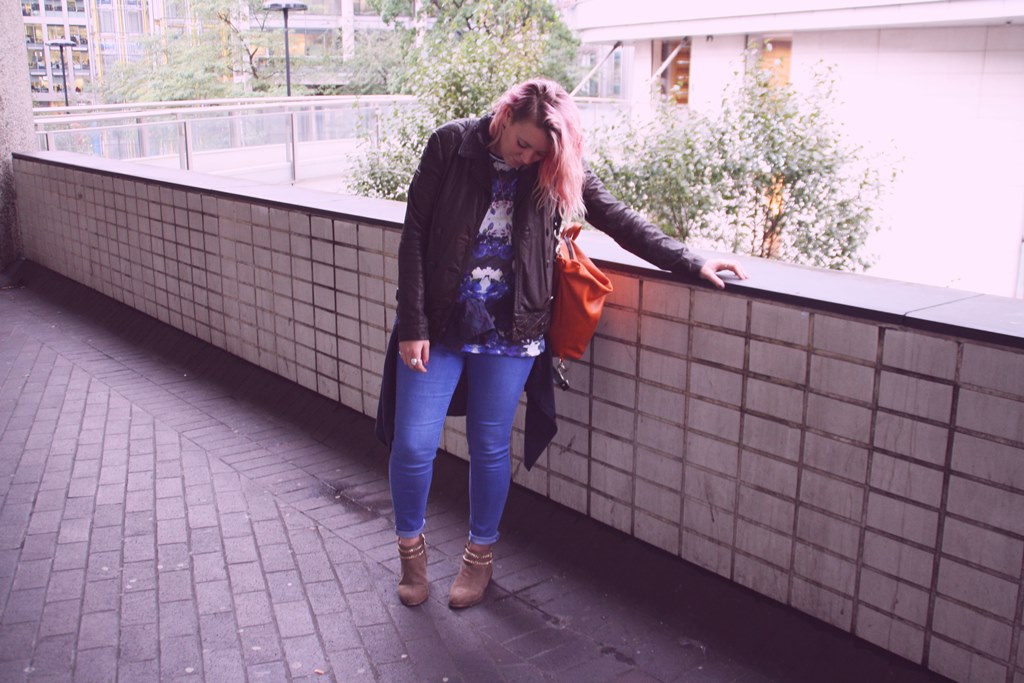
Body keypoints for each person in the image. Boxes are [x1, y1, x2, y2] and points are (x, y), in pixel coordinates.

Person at [377, 78, 747, 609]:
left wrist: (690, 261)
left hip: (513, 327)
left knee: (489, 446)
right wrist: (413, 324)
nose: (527, 158)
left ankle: (479, 557)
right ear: (505, 115)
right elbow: (414, 234)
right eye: (522, 144)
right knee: (413, 443)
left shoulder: (554, 167)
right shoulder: (450, 144)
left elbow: (616, 217)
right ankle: (411, 556)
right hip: (439, 322)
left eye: (539, 153)